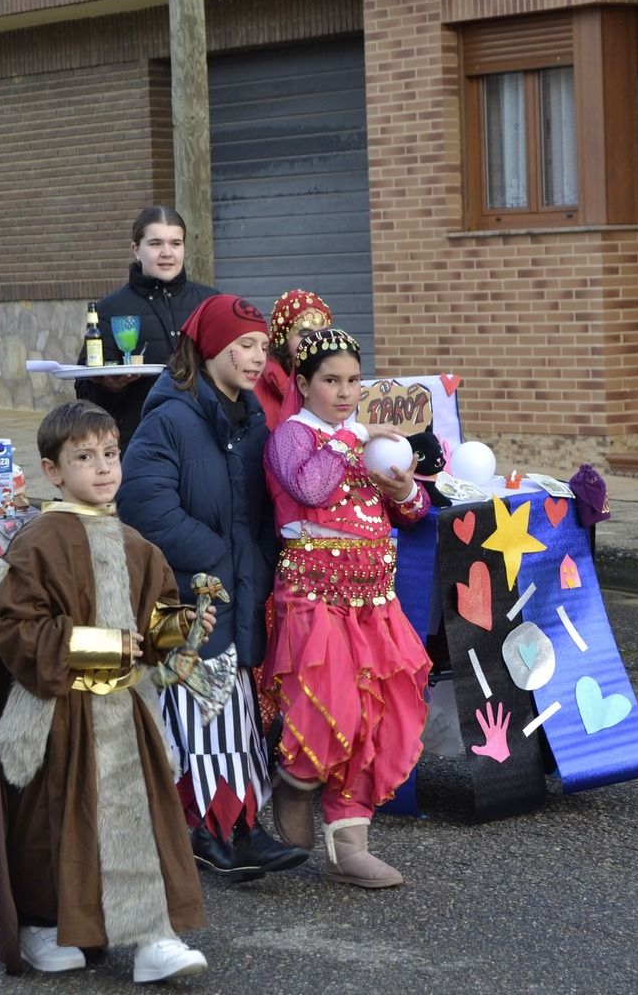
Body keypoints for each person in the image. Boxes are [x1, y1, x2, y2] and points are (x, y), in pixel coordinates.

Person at [0, 399, 209, 981]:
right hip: (60, 712)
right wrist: (99, 646)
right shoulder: (39, 541)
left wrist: (180, 627)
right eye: (84, 457)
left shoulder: (139, 545)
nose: (103, 467)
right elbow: (12, 625)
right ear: (53, 471)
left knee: (142, 815)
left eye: (110, 454)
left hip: (126, 712)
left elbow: (154, 624)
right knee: (56, 823)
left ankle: (152, 936)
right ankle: (44, 926)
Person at [117, 294, 306, 881]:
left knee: (236, 717)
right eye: (243, 346)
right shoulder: (170, 418)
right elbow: (146, 508)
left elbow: (257, 510)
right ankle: (210, 833)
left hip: (236, 593)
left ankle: (241, 827)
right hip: (189, 598)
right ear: (209, 348)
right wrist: (222, 557)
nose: (256, 359)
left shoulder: (249, 421)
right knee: (204, 717)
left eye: (260, 347)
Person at [262, 327, 433, 888]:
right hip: (314, 597)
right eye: (330, 381)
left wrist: (405, 489)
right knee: (332, 708)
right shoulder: (293, 435)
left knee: (377, 718)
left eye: (353, 380)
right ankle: (294, 781)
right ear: (303, 384)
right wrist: (353, 438)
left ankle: (348, 846)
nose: (344, 392)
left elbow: (411, 511)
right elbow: (310, 490)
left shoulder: (364, 439)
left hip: (372, 600)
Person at [76, 205, 219, 451]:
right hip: (141, 444)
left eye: (176, 243)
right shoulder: (110, 309)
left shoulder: (211, 303)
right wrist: (109, 386)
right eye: (155, 244)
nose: (167, 253)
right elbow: (84, 390)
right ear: (136, 249)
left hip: (205, 439)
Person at [258, 289, 332, 429]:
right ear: (282, 339)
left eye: (323, 334)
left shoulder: (339, 383)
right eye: (304, 334)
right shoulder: (256, 388)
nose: (315, 342)